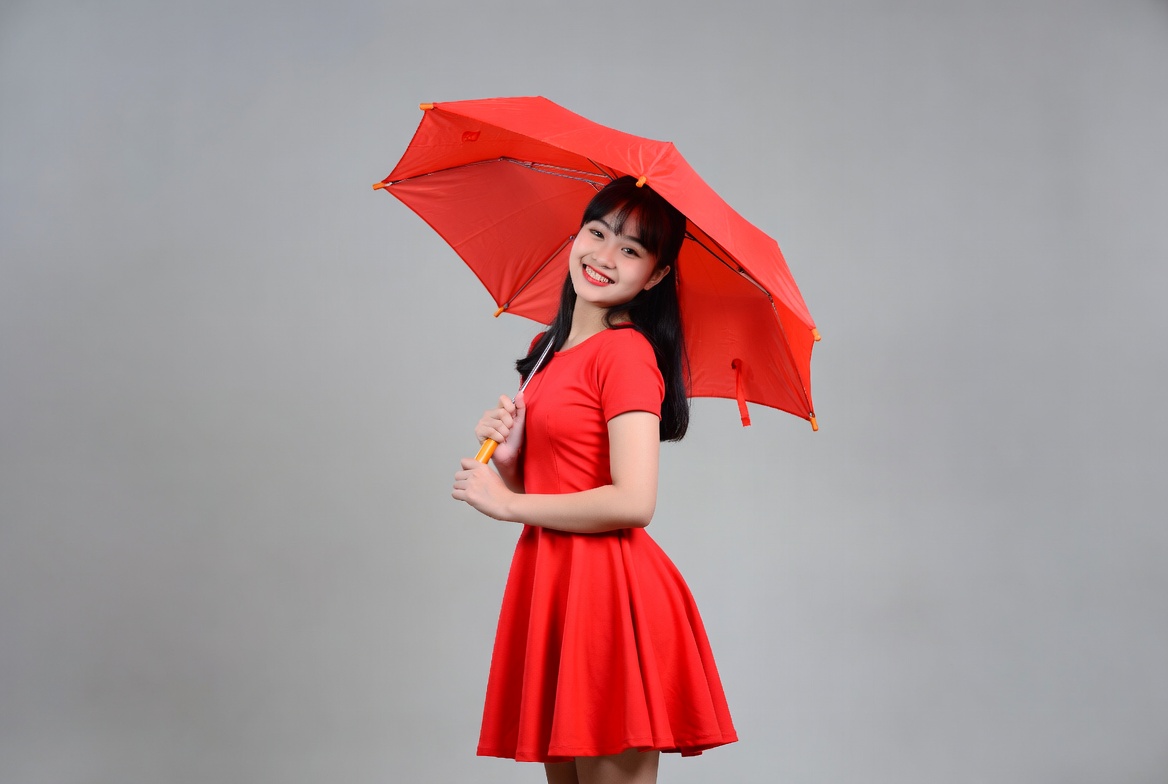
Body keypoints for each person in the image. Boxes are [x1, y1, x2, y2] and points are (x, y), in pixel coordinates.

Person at [452, 176, 736, 784]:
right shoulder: (546, 346)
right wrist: (512, 463)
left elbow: (634, 501)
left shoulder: (626, 354)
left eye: (632, 250)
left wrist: (506, 506)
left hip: (609, 595)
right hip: (554, 585)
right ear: (575, 235)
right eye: (597, 232)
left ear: (656, 276)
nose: (604, 257)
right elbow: (565, 480)